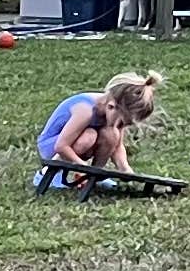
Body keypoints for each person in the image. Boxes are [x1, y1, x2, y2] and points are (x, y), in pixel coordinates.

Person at [34, 69, 163, 189]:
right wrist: (82, 166)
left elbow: (117, 146)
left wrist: (125, 169)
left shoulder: (114, 110)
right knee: (89, 136)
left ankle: (93, 178)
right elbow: (61, 146)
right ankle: (47, 173)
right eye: (122, 122)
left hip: (77, 144)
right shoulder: (85, 110)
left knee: (112, 134)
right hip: (53, 146)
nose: (121, 126)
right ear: (111, 107)